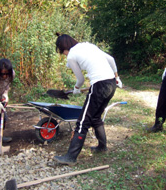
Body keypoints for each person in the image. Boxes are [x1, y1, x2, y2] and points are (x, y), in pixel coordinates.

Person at [53, 33, 123, 165]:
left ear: (64, 49)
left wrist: (76, 88)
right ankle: (102, 147)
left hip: (99, 85)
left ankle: (71, 157)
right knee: (95, 117)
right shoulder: (88, 45)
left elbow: (80, 79)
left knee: (82, 121)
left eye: (63, 53)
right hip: (111, 83)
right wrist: (117, 77)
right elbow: (111, 59)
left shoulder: (72, 55)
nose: (65, 55)